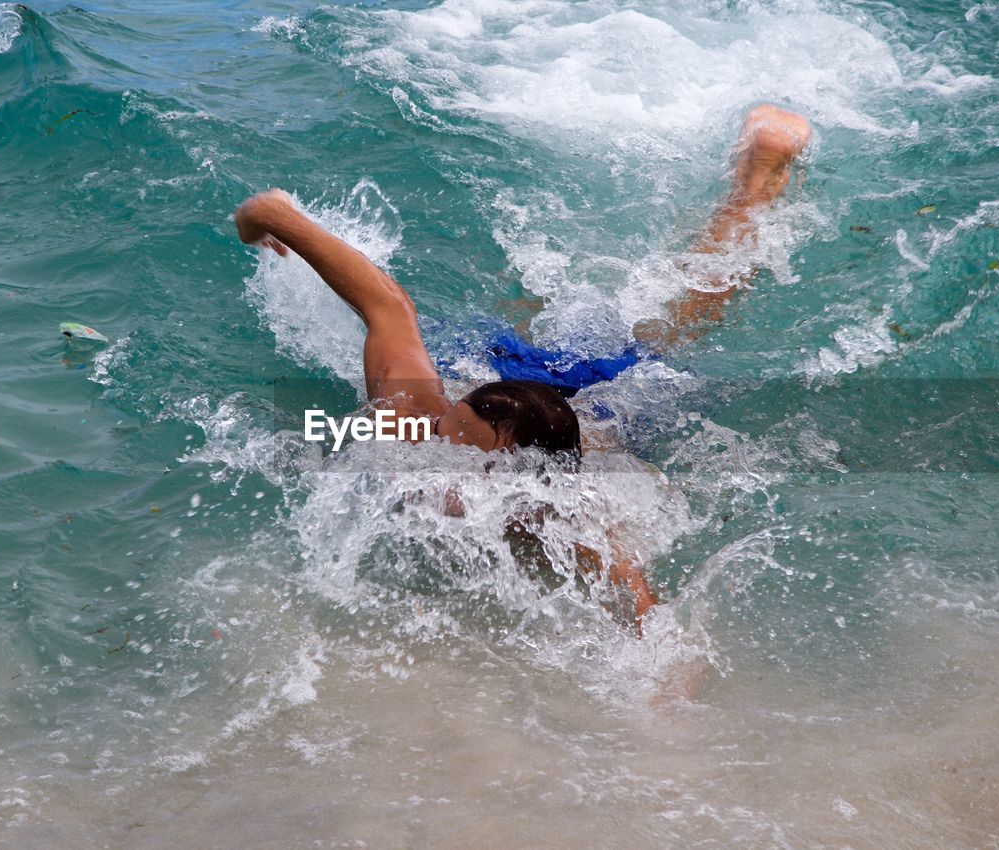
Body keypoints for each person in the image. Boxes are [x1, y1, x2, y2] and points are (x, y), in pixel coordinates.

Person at [235, 104, 811, 632]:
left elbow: (645, 609)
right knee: (620, 331)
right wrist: (274, 216)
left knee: (677, 330)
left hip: (605, 401)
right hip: (496, 373)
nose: (439, 463)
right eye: (444, 440)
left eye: (462, 457)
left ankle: (755, 185)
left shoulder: (569, 513)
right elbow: (385, 305)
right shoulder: (411, 425)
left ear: (516, 471)